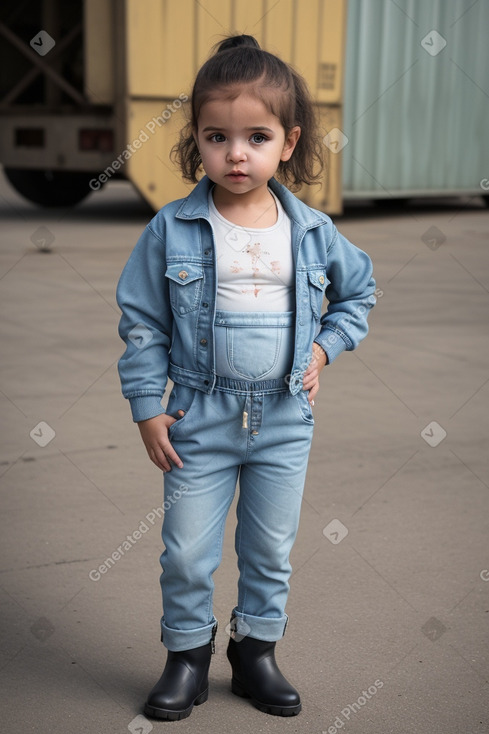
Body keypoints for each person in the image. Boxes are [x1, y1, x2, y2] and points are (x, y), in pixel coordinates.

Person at [116, 34, 375, 721]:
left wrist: (321, 350)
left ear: (287, 143)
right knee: (187, 554)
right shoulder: (170, 229)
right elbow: (142, 320)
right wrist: (148, 407)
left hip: (284, 418)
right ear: (195, 142)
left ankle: (255, 652)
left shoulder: (313, 232)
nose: (236, 153)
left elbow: (358, 294)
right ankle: (185, 659)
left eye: (255, 136)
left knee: (268, 549)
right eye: (216, 137)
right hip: (197, 416)